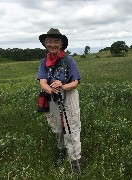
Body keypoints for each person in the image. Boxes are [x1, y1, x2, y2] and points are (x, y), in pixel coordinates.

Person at [37, 28, 81, 173]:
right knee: (57, 128)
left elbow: (75, 82)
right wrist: (52, 90)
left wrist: (62, 86)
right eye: (49, 41)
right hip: (53, 97)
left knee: (71, 127)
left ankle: (74, 162)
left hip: (69, 96)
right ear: (45, 44)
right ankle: (62, 151)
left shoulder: (68, 60)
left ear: (61, 44)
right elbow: (42, 82)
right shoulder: (44, 62)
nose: (53, 44)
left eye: (56, 41)